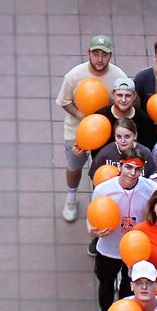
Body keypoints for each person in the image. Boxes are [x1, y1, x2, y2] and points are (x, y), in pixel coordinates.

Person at [56, 35, 130, 221]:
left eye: (104, 55)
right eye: (95, 53)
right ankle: (71, 197)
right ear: (88, 53)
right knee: (74, 166)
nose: (99, 59)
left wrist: (103, 120)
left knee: (106, 170)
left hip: (106, 134)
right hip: (77, 133)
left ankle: (102, 205)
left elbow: (123, 102)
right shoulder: (74, 76)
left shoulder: (119, 76)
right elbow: (64, 101)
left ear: (110, 56)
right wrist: (85, 118)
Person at [86, 156, 156, 311]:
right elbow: (92, 214)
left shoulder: (151, 189)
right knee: (106, 282)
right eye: (129, 167)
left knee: (129, 283)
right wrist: (92, 231)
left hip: (136, 248)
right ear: (120, 166)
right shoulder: (103, 189)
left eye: (137, 169)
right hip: (109, 246)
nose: (133, 173)